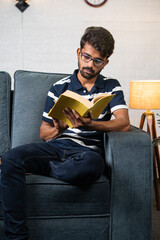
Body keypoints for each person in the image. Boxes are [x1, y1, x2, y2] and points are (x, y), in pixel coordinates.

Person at [1, 26, 130, 239]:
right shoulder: (58, 87)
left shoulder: (111, 86)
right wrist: (58, 129)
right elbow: (44, 133)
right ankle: (17, 237)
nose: (89, 64)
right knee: (9, 158)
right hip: (55, 147)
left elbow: (124, 123)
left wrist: (90, 125)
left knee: (93, 166)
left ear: (105, 62)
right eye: (86, 57)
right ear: (78, 53)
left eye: (97, 61)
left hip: (85, 155)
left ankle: (45, 169)